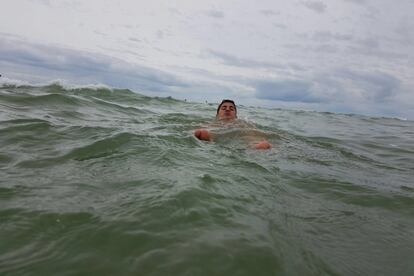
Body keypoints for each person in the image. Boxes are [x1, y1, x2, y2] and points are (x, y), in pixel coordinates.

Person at [194, 99, 272, 150]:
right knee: (202, 132)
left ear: (236, 115)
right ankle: (209, 142)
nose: (227, 109)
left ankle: (253, 149)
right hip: (217, 137)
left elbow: (256, 134)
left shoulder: (243, 123)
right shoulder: (211, 124)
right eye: (224, 108)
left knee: (260, 141)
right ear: (217, 114)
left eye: (231, 109)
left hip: (240, 142)